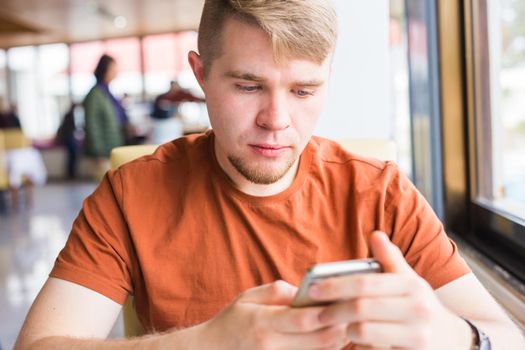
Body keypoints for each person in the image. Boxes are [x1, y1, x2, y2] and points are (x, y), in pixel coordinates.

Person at [15, 1, 525, 349]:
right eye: (247, 86)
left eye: (303, 91)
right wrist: (208, 343)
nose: (277, 120)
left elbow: (507, 336)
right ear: (201, 76)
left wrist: (452, 335)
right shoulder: (132, 194)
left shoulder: (381, 193)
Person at [83, 54, 127, 180]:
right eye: (113, 68)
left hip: (113, 149)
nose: (116, 72)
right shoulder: (95, 95)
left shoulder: (107, 93)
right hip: (103, 154)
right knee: (106, 191)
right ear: (105, 70)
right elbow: (92, 125)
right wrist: (98, 153)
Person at [54, 103, 80, 179]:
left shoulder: (69, 114)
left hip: (68, 138)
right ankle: (71, 174)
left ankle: (71, 174)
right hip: (68, 138)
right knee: (72, 156)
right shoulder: (70, 115)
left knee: (72, 156)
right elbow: (72, 128)